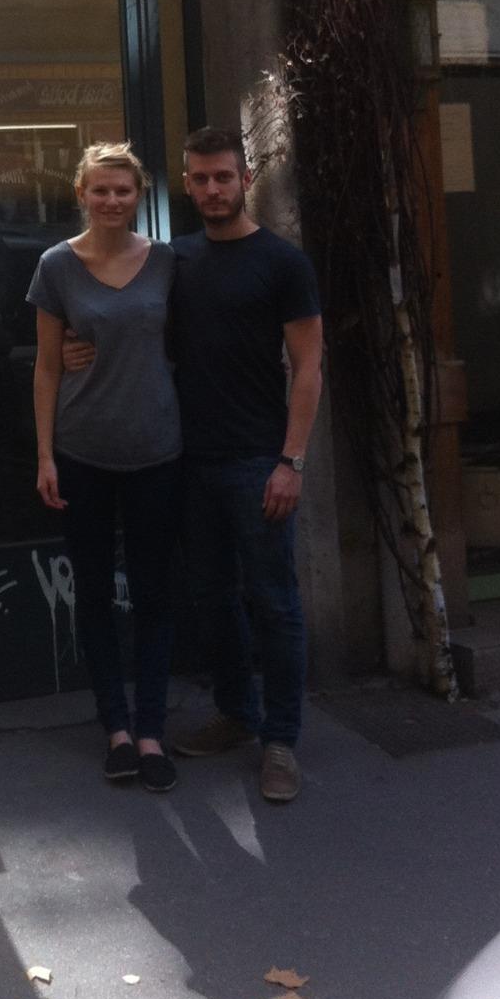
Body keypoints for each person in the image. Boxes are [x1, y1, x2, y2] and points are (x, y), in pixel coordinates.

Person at [61, 126, 323, 804]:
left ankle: (280, 743)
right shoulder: (173, 262)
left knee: (274, 602)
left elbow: (308, 367)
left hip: (256, 460)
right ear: (186, 184)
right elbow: (128, 326)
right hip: (183, 458)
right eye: (200, 179)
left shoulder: (281, 263)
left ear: (244, 180)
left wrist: (290, 460)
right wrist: (75, 351)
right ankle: (237, 714)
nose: (211, 190)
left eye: (223, 178)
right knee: (209, 599)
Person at [29, 142, 182, 791]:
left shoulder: (169, 263)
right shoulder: (56, 267)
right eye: (101, 190)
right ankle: (114, 730)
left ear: (138, 194)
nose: (112, 200)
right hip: (82, 449)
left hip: (156, 449)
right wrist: (43, 454)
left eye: (123, 190)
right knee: (92, 592)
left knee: (153, 594)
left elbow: (192, 343)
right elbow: (43, 364)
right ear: (81, 194)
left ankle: (151, 731)